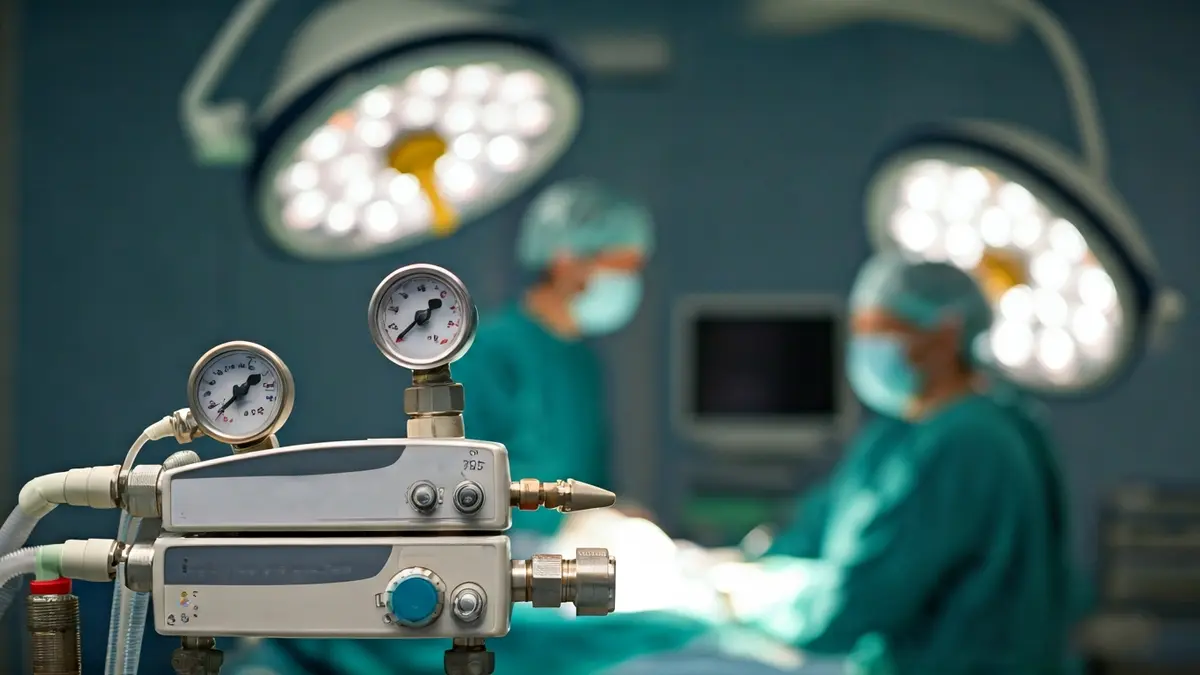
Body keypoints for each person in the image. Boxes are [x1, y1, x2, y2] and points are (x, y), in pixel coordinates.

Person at [221, 179, 658, 675]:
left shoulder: (583, 362)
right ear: (567, 260)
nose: (629, 280)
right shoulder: (493, 350)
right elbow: (458, 486)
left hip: (572, 545)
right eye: (621, 266)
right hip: (508, 546)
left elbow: (591, 473)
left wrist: (609, 514)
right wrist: (558, 525)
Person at [708, 252, 1076, 675]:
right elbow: (818, 529)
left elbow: (862, 601)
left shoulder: (970, 444)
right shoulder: (901, 435)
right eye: (859, 330)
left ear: (945, 332)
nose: (864, 346)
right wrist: (746, 562)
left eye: (880, 330)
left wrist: (748, 600)